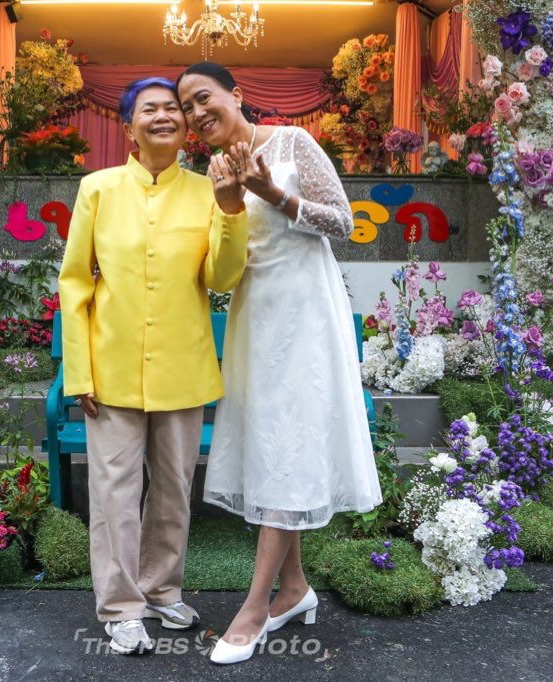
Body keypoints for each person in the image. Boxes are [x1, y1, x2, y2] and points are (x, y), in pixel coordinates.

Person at [176, 62, 383, 665]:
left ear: (236, 95)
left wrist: (272, 193)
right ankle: (294, 589)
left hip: (306, 320)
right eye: (188, 106)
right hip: (253, 320)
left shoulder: (294, 143)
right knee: (271, 449)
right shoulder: (209, 171)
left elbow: (343, 223)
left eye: (204, 98)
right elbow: (223, 263)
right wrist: (229, 204)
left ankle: (254, 607)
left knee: (288, 452)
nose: (196, 113)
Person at [58, 77, 249, 656]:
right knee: (114, 491)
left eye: (173, 108)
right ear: (128, 127)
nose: (164, 116)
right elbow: (74, 283)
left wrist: (230, 207)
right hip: (109, 369)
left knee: (172, 489)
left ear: (186, 125)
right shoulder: (98, 188)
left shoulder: (208, 187)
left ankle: (162, 588)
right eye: (151, 109)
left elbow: (222, 278)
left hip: (183, 368)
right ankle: (120, 607)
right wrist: (80, 372)